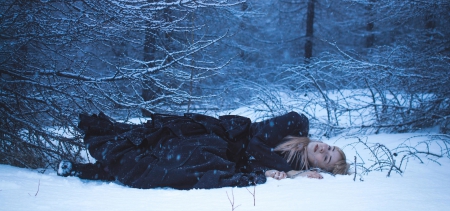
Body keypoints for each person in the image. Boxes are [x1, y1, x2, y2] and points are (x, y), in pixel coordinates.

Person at [57, 111, 349, 189]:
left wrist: (273, 170)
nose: (324, 148)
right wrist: (289, 171)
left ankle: (90, 171)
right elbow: (254, 143)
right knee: (158, 143)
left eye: (325, 158)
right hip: (220, 135)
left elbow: (253, 160)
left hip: (224, 155)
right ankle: (101, 143)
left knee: (170, 171)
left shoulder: (292, 163)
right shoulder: (297, 124)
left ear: (317, 167)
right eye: (330, 148)